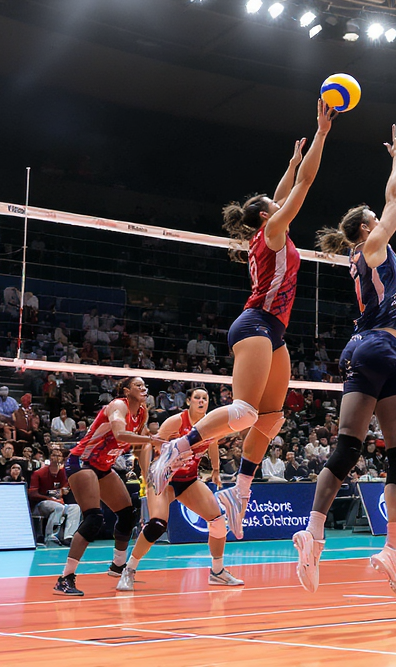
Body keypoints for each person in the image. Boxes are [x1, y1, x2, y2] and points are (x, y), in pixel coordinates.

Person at [151, 100, 337, 539]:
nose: (282, 202)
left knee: (271, 418)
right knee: (244, 410)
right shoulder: (273, 232)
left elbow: (286, 187)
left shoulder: (267, 230)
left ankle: (239, 494)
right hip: (255, 323)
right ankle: (176, 449)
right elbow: (304, 184)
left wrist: (290, 163)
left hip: (274, 330)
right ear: (267, 215)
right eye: (275, 203)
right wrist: (322, 134)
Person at [292, 122, 396, 601]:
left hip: (380, 352)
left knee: (380, 452)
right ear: (368, 228)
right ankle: (323, 536)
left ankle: (382, 547)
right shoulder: (372, 245)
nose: (380, 215)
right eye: (374, 216)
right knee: (370, 451)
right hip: (377, 346)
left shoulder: (363, 255)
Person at [118, 388, 243, 591]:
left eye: (205, 398)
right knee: (157, 525)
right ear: (188, 401)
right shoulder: (176, 421)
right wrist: (151, 469)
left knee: (218, 521)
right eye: (197, 398)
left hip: (188, 481)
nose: (201, 401)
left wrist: (216, 470)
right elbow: (153, 443)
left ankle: (218, 572)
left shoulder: (211, 423)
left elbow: (212, 443)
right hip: (163, 479)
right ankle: (129, 570)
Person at [54, 377, 163, 596]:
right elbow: (121, 434)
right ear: (126, 390)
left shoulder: (142, 412)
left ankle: (117, 566)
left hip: (103, 466)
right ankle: (65, 578)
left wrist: (146, 473)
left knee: (127, 513)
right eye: (138, 386)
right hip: (82, 461)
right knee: (94, 518)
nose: (143, 388)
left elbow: (140, 446)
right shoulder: (118, 405)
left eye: (144, 386)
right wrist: (152, 440)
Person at [29, 447, 80, 545]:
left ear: (62, 458)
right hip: (42, 504)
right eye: (54, 455)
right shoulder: (39, 473)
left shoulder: (64, 473)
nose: (56, 458)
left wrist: (61, 494)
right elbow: (32, 494)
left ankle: (68, 536)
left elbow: (64, 490)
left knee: (75, 508)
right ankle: (51, 536)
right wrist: (49, 498)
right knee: (58, 507)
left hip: (58, 502)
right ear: (50, 457)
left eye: (59, 455)